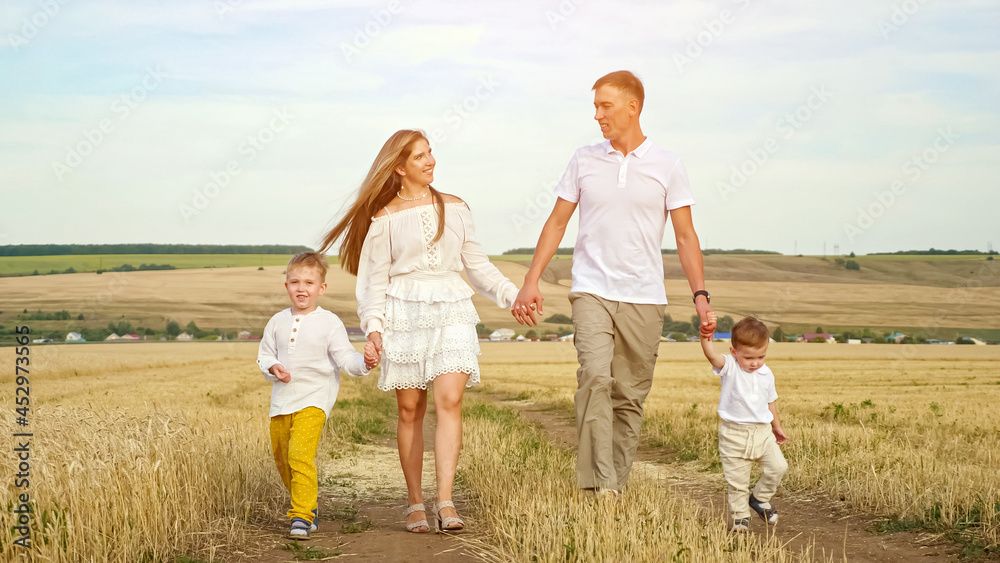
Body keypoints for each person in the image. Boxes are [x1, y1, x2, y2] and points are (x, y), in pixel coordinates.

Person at [512, 70, 714, 496]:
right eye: (596, 107)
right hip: (591, 289)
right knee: (594, 378)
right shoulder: (584, 159)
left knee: (629, 396)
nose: (598, 115)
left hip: (644, 296)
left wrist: (700, 298)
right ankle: (600, 484)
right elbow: (558, 222)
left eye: (605, 106)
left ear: (632, 107)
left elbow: (684, 236)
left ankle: (614, 485)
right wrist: (531, 280)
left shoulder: (668, 165)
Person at [319, 129, 519, 533]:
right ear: (399, 167)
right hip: (403, 313)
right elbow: (373, 282)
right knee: (410, 409)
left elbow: (477, 265)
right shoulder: (384, 220)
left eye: (430, 154)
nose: (430, 162)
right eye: (420, 157)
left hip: (451, 309)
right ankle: (414, 502)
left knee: (451, 400)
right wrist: (373, 328)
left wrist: (512, 295)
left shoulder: (456, 207)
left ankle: (445, 500)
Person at [256, 252, 378, 540]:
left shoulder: (329, 323)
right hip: (282, 401)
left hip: (314, 400)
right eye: (295, 282)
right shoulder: (276, 322)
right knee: (283, 459)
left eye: (309, 282)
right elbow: (265, 355)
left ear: (321, 288)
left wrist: (365, 362)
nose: (302, 288)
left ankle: (300, 515)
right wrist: (274, 367)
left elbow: (346, 357)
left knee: (300, 454)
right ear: (286, 285)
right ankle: (308, 504)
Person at [699, 314, 788, 532]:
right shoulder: (730, 367)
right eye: (748, 358)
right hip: (733, 435)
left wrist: (777, 426)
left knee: (778, 467)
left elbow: (771, 402)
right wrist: (705, 338)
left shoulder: (766, 373)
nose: (755, 363)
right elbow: (712, 356)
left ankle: (759, 498)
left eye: (761, 356)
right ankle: (740, 519)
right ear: (734, 352)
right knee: (737, 482)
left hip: (763, 433)